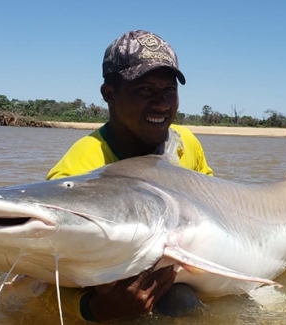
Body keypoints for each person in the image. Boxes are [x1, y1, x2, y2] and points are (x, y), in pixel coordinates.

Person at [45, 30, 213, 322]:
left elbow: (217, 201)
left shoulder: (186, 143)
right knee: (178, 300)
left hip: (188, 274)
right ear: (109, 94)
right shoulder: (80, 168)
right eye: (145, 90)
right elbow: (32, 285)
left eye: (169, 90)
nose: (161, 104)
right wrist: (92, 310)